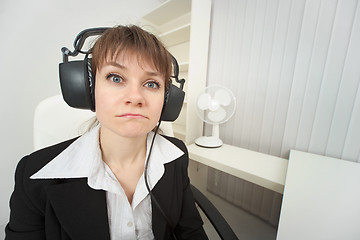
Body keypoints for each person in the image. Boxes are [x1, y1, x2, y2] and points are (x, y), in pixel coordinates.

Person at [5, 25, 208, 240]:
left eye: (151, 83)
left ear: (167, 100)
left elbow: (191, 232)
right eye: (116, 78)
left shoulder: (176, 155)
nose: (135, 97)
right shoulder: (33, 175)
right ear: (88, 89)